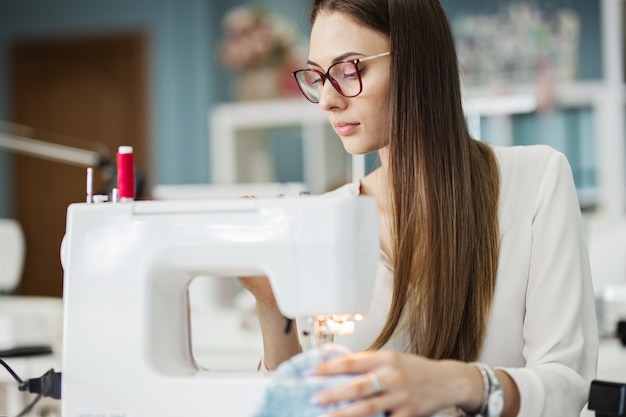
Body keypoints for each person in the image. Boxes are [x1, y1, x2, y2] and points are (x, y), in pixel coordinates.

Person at [239, 1, 598, 416]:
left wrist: (452, 382)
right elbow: (296, 403)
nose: (327, 101)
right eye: (319, 76)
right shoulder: (326, 219)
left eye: (349, 70)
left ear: (416, 62)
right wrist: (272, 303)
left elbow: (566, 384)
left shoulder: (536, 179)